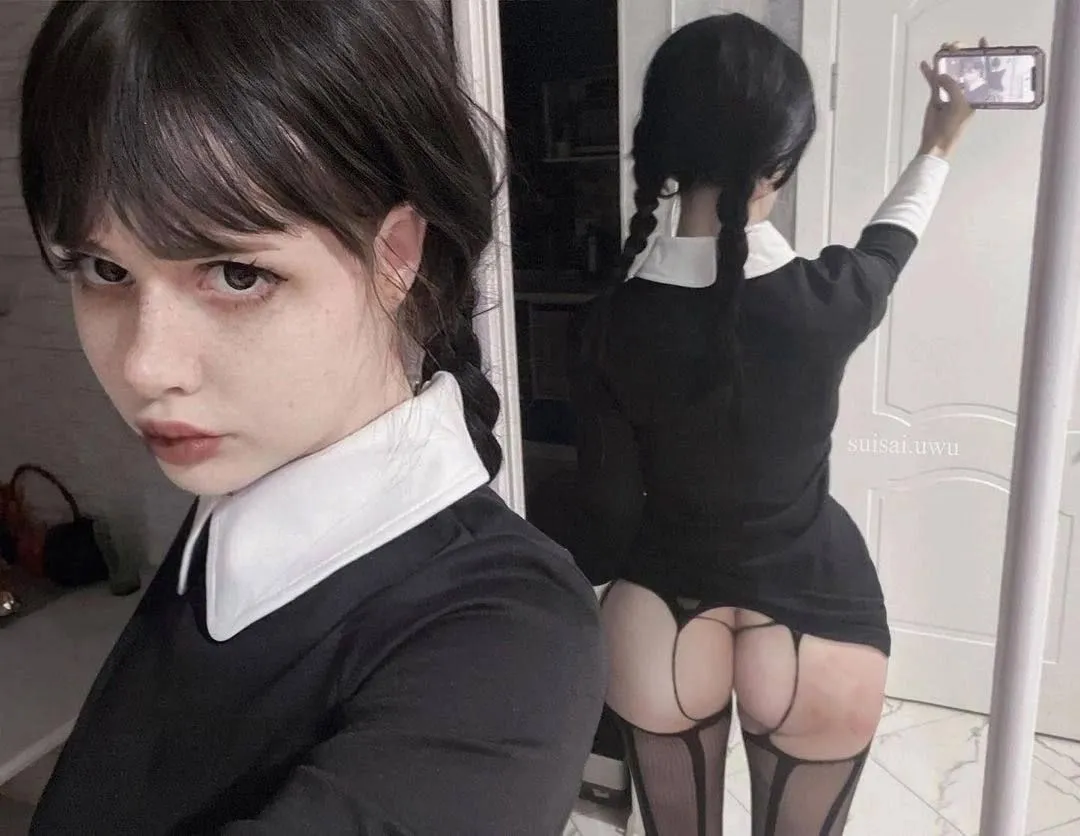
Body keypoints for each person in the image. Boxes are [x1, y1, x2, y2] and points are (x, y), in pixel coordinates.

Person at [18, 2, 606, 833]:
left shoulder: (509, 644)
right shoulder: (249, 475)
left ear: (395, 255)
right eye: (103, 269)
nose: (147, 366)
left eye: (236, 275)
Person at [569, 16, 974, 836]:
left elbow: (606, 523)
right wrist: (938, 143)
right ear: (780, 163)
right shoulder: (832, 300)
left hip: (659, 625)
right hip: (820, 621)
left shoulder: (607, 326)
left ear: (659, 149)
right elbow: (890, 243)